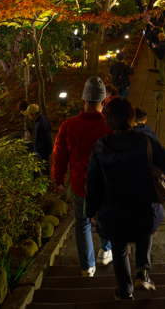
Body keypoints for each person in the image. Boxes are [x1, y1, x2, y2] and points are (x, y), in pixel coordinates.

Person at [85, 98, 165, 300]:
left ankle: (125, 290)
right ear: (131, 118)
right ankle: (143, 272)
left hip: (113, 213)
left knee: (119, 249)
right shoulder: (144, 141)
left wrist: (90, 212)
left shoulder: (100, 146)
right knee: (145, 225)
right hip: (144, 211)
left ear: (109, 120)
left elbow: (92, 183)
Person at [52, 77, 114, 277]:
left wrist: (58, 179)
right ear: (104, 101)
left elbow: (59, 156)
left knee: (82, 223)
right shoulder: (111, 127)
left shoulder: (68, 126)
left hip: (81, 186)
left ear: (82, 100)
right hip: (106, 187)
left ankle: (87, 267)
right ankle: (106, 251)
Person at [24, 103, 52, 175]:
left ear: (34, 114)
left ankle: (44, 182)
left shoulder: (40, 124)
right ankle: (45, 181)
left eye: (29, 114)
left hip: (42, 152)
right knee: (44, 167)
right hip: (45, 150)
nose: (29, 117)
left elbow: (44, 141)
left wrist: (37, 150)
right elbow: (50, 127)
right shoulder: (42, 117)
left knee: (42, 168)